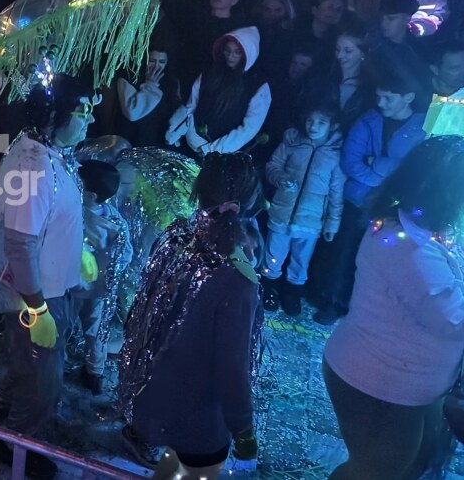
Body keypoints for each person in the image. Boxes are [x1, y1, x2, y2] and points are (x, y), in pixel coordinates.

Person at [322, 135, 464, 480]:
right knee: (375, 470)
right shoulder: (407, 247)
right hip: (379, 383)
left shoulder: (420, 225)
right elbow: (454, 320)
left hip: (410, 382)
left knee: (413, 461)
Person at [0, 74, 96, 479]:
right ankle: (15, 445)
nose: (89, 119)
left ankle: (1, 403)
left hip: (50, 285)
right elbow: (20, 244)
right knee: (44, 384)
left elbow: (50, 221)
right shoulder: (33, 168)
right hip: (37, 296)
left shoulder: (45, 153)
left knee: (26, 363)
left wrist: (78, 252)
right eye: (82, 111)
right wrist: (39, 310)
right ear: (52, 116)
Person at [118, 152, 262, 480]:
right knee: (190, 472)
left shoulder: (176, 236)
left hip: (151, 396)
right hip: (198, 421)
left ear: (198, 192)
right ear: (250, 202)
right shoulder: (237, 279)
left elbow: (143, 308)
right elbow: (232, 369)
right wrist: (244, 435)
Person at [315, 64, 429, 324]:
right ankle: (333, 300)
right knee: (344, 252)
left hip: (392, 208)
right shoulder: (368, 120)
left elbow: (412, 169)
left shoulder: (420, 129)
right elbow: (351, 162)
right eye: (379, 97)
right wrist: (385, 176)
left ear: (408, 97)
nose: (381, 103)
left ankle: (361, 305)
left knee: (377, 258)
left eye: (388, 98)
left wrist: (375, 163)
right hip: (358, 201)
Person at [261, 102, 345, 316]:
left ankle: (292, 293)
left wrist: (332, 223)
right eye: (310, 121)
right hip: (282, 213)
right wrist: (281, 178)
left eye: (321, 122)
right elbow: (273, 165)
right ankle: (268, 288)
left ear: (332, 126)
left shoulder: (335, 155)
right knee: (273, 255)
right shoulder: (293, 142)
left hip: (311, 220)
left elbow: (336, 193)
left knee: (301, 261)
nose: (313, 127)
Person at [72, 160, 132, 395]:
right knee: (95, 331)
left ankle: (54, 360)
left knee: (63, 323)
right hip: (99, 289)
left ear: (90, 194)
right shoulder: (116, 220)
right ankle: (95, 373)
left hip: (71, 285)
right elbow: (126, 254)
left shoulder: (77, 212)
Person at [166, 26, 272, 156]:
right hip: (193, 143)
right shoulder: (208, 73)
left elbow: (249, 128)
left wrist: (213, 150)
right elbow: (191, 106)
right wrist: (188, 134)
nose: (230, 56)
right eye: (227, 50)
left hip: (224, 155)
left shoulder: (258, 87)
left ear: (247, 54)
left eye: (237, 52)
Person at [113, 43, 182, 147]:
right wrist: (150, 85)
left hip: (161, 145)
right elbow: (132, 113)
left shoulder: (171, 82)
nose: (156, 67)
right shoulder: (128, 78)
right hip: (133, 144)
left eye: (162, 62)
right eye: (152, 61)